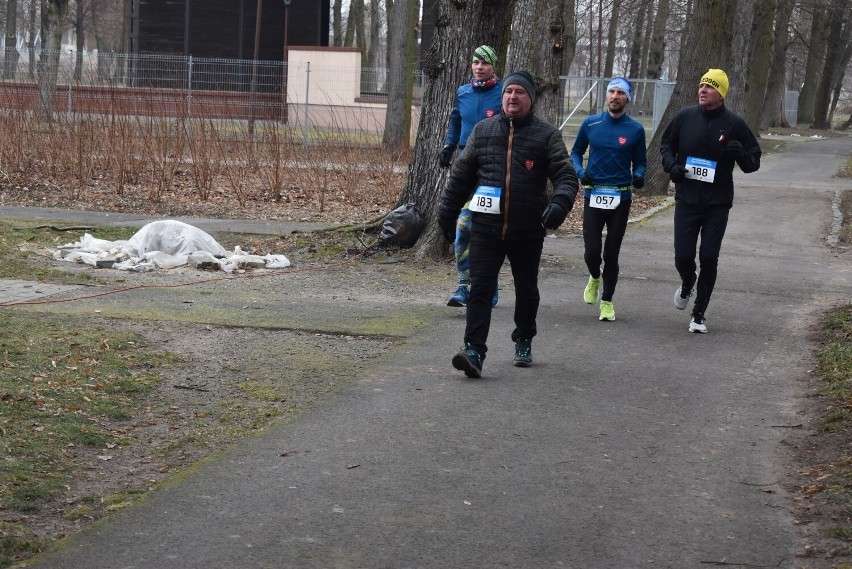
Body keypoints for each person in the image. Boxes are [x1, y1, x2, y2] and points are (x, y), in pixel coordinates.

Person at [438, 71, 579, 378]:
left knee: (527, 289)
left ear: (531, 99)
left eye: (520, 92)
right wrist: (446, 214)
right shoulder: (484, 131)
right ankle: (474, 350)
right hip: (486, 228)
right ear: (502, 97)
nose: (513, 97)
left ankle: (524, 338)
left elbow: (566, 176)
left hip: (528, 229)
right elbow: (461, 176)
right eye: (508, 92)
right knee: (479, 288)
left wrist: (559, 204)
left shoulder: (546, 135)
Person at [660, 68, 761, 333]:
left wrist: (740, 152)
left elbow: (753, 162)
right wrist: (672, 167)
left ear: (722, 94)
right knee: (683, 256)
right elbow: (666, 145)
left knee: (709, 257)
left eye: (711, 87)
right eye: (702, 85)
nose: (703, 90)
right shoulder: (685, 117)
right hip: (687, 200)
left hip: (717, 203)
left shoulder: (735, 124)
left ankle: (699, 314)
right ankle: (686, 282)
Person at [570, 77, 647, 322]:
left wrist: (639, 175)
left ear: (628, 99)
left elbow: (641, 161)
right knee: (592, 252)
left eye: (620, 93)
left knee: (611, 253)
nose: (615, 96)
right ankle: (594, 276)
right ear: (606, 96)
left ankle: (607, 301)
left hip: (620, 198)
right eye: (611, 91)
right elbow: (575, 152)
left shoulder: (635, 129)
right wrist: (581, 173)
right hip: (594, 194)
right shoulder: (591, 124)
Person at [439, 45, 503, 309]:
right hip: (465, 163)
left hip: (491, 166)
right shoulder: (462, 92)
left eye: (485, 63)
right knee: (463, 226)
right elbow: (455, 121)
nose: (479, 67)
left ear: (493, 66)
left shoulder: (503, 92)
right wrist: (448, 146)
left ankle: (489, 284)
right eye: (475, 62)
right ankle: (464, 286)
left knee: (483, 228)